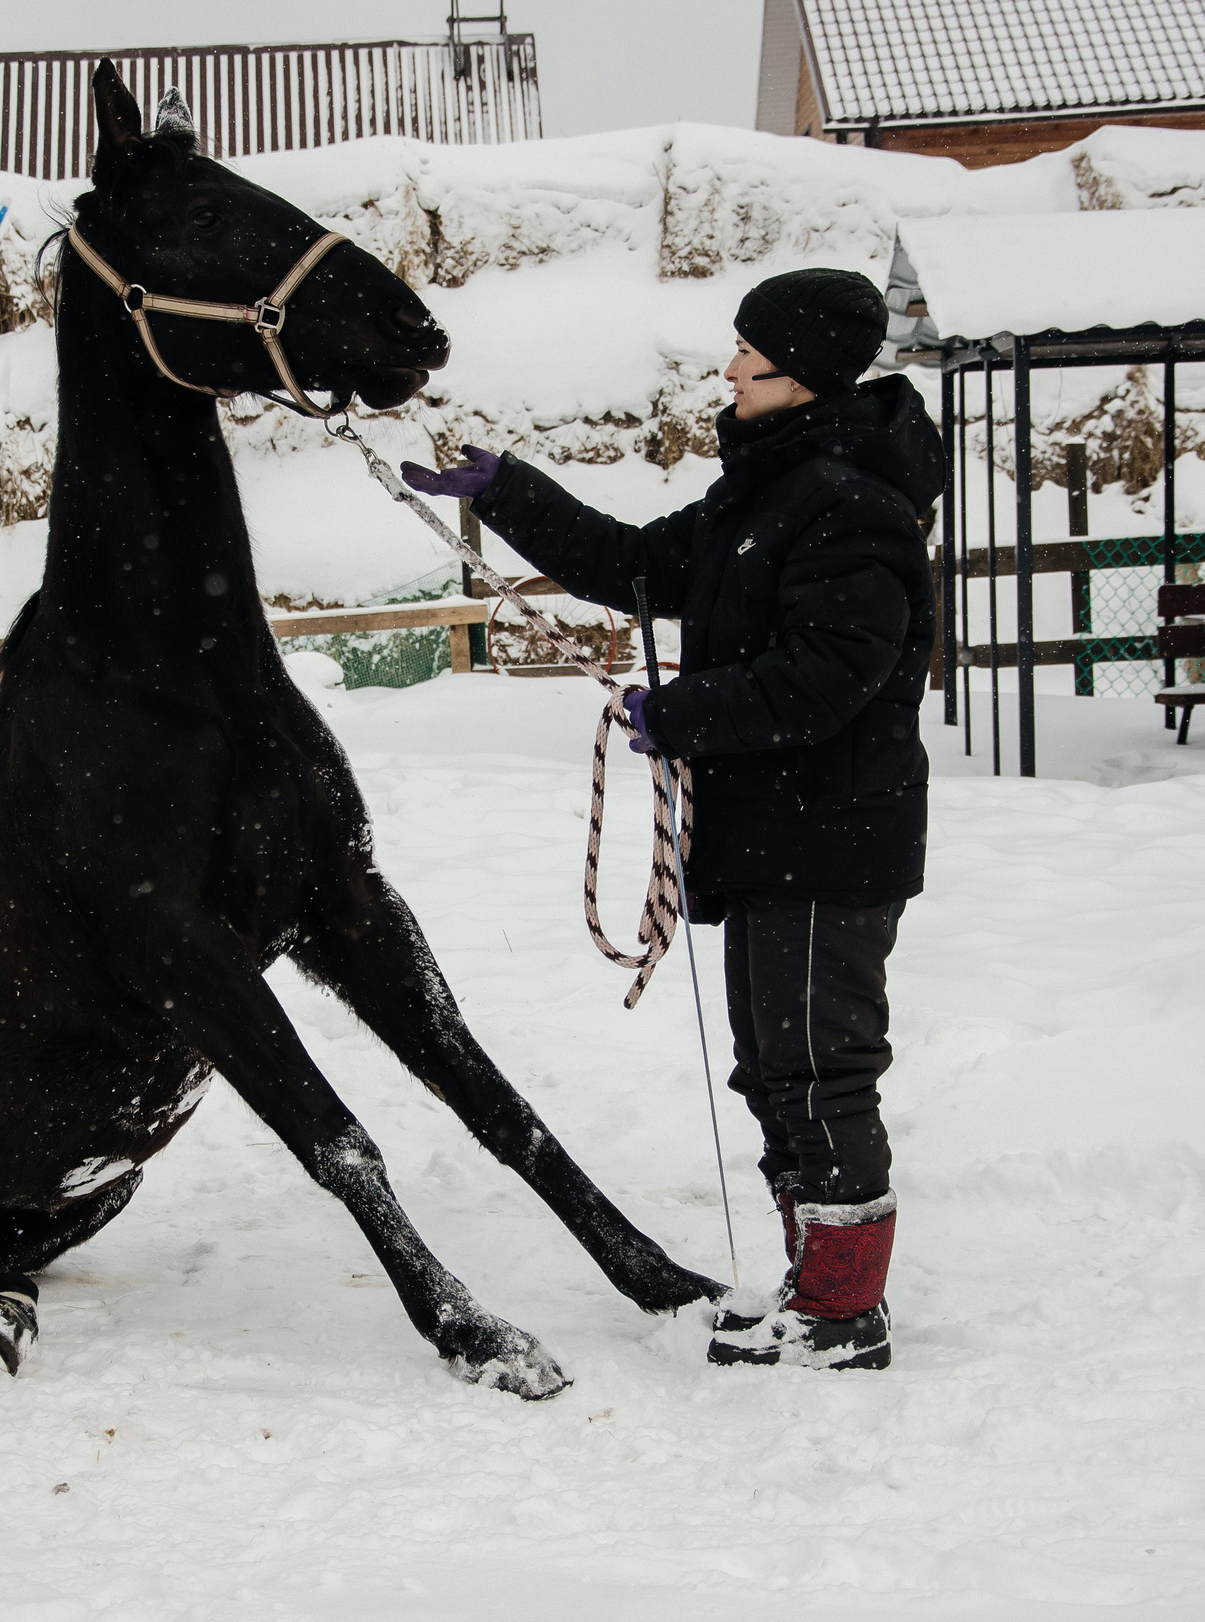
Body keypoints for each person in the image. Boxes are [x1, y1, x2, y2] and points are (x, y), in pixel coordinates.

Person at [402, 268, 947, 1370]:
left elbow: (829, 677)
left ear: (802, 372)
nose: (729, 365)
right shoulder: (770, 486)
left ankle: (844, 1313)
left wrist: (683, 711)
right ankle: (813, 1290)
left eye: (748, 350)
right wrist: (507, 490)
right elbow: (639, 566)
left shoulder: (856, 504)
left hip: (828, 839)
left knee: (819, 1068)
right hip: (769, 835)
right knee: (771, 1067)